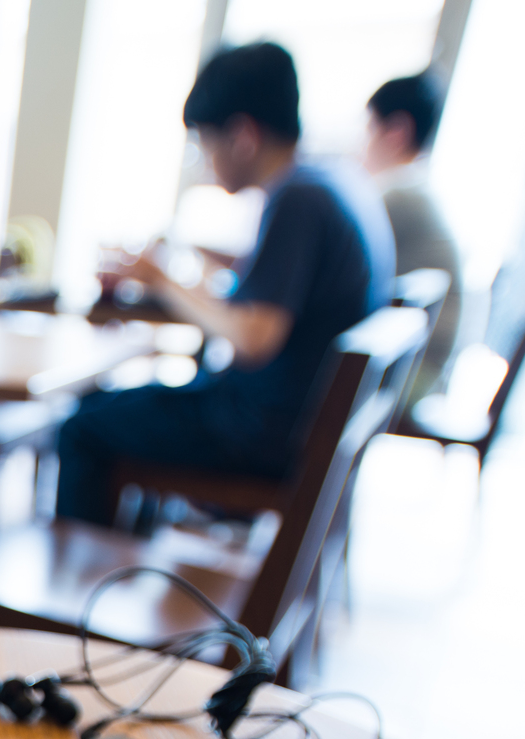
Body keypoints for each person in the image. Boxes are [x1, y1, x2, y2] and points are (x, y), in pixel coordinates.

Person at [53, 42, 394, 527]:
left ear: (242, 135)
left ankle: (78, 582)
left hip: (263, 433)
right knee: (108, 406)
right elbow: (274, 290)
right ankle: (124, 560)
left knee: (82, 428)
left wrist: (159, 278)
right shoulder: (332, 183)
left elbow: (254, 338)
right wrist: (192, 256)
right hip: (296, 423)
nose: (204, 160)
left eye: (205, 144)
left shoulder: (297, 200)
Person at [365, 72, 461, 403]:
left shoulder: (399, 193)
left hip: (414, 373)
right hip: (427, 364)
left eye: (369, 128)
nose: (362, 143)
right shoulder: (418, 187)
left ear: (396, 131)